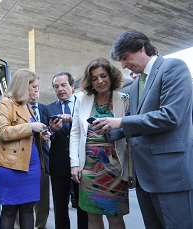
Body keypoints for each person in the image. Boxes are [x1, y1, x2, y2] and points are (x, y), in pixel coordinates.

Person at [92, 30, 193, 229]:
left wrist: (120, 123)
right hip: (144, 176)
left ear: (141, 48)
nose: (123, 65)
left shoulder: (173, 67)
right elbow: (134, 121)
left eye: (125, 58)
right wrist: (108, 130)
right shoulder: (138, 82)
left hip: (169, 173)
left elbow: (170, 116)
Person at [69, 57, 130, 229]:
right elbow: (75, 133)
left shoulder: (123, 98)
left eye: (103, 76)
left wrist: (131, 171)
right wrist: (75, 164)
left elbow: (130, 135)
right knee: (93, 216)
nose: (100, 81)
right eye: (94, 78)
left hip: (116, 168)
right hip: (88, 168)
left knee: (116, 216)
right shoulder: (81, 99)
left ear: (111, 76)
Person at [0, 69, 51, 229]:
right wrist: (30, 126)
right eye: (35, 87)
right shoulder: (6, 103)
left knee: (28, 209)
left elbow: (27, 134)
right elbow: (1, 131)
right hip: (9, 165)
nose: (37, 90)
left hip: (31, 166)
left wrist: (41, 135)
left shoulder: (27, 105)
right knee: (9, 210)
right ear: (24, 86)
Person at [42, 72, 88, 229]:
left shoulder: (84, 104)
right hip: (58, 164)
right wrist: (52, 130)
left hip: (82, 163)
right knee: (60, 207)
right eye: (56, 86)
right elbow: (43, 134)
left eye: (63, 85)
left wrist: (73, 119)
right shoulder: (48, 109)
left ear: (72, 86)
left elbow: (90, 128)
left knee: (84, 207)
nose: (60, 89)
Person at [14, 91, 50, 229]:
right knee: (20, 198)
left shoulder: (45, 108)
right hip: (20, 158)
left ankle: (42, 225)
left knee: (42, 197)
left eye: (37, 88)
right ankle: (18, 226)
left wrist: (47, 133)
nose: (35, 92)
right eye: (32, 88)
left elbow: (48, 129)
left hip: (42, 159)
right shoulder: (17, 109)